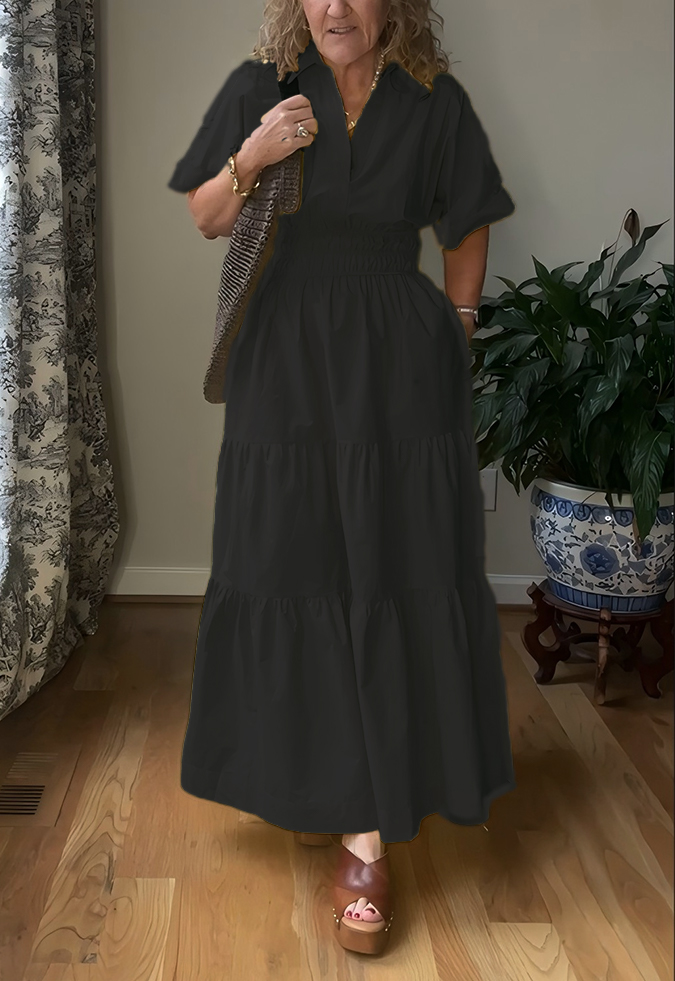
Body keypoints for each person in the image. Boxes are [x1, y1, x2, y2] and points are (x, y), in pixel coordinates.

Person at [168, 0, 517, 956]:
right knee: (292, 566)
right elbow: (205, 215)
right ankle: (312, 779)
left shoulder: (435, 103)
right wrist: (253, 155)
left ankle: (364, 830)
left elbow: (467, 221)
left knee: (384, 569)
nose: (335, 6)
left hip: (397, 361)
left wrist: (457, 326)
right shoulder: (263, 88)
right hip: (283, 355)